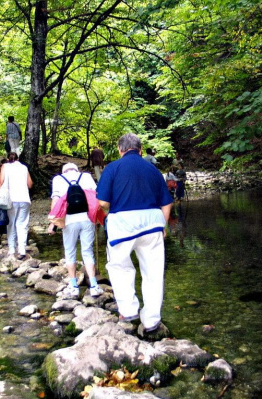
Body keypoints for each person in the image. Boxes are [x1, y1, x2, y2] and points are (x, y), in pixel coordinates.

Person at [97, 133, 173, 333]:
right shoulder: (153, 170)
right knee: (153, 273)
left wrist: (109, 213)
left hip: (122, 226)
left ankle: (129, 310)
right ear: (140, 150)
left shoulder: (112, 168)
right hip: (152, 225)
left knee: (120, 267)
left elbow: (103, 202)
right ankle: (151, 321)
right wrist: (163, 226)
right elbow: (167, 202)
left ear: (120, 149)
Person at [48, 163, 104, 298]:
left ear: (64, 171)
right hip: (87, 219)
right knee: (87, 251)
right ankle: (94, 286)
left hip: (68, 220)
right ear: (76, 169)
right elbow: (96, 197)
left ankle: (73, 286)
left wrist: (53, 224)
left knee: (70, 251)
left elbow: (56, 201)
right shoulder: (86, 176)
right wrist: (98, 218)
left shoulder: (58, 179)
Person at [0, 152, 32, 259]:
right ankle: (22, 250)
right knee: (22, 225)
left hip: (11, 199)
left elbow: (1, 181)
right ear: (18, 159)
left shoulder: (5, 166)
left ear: (8, 159)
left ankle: (12, 250)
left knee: (11, 224)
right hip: (24, 199)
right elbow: (30, 184)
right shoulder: (24, 167)